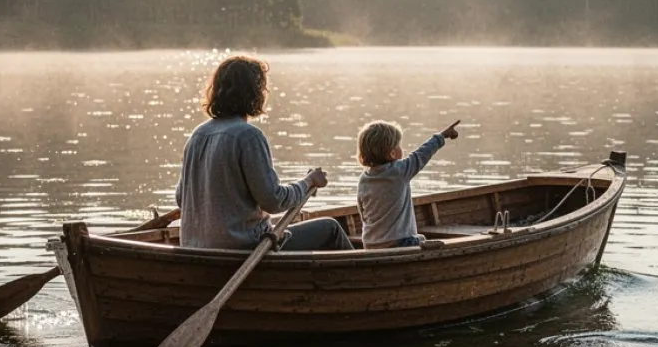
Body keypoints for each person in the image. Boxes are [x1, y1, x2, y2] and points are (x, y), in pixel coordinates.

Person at [176, 55, 353, 251]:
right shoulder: (248, 136)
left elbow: (181, 198)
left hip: (194, 249)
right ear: (254, 93)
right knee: (330, 228)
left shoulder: (197, 135)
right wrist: (308, 182)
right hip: (244, 251)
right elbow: (274, 201)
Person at [356, 118, 460, 249]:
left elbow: (363, 214)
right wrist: (442, 136)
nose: (401, 148)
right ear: (392, 153)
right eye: (398, 145)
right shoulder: (400, 170)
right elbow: (422, 154)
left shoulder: (364, 178)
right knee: (422, 239)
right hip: (399, 243)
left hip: (370, 244)